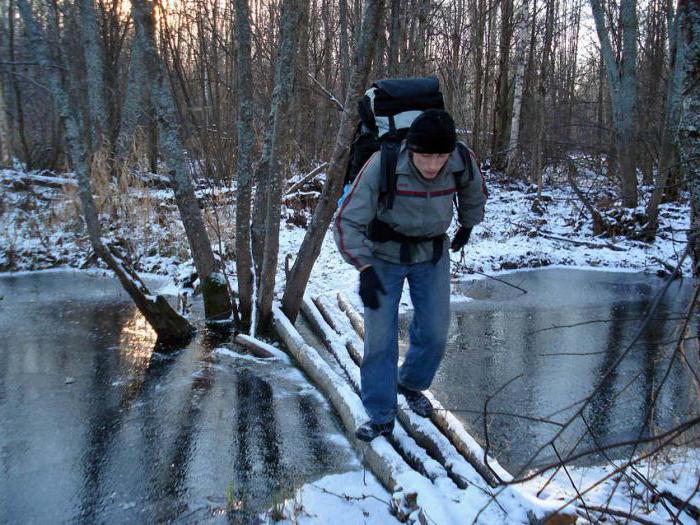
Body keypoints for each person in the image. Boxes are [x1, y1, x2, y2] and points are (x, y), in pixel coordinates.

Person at [333, 109, 487, 441]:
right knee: (380, 338)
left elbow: (474, 192)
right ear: (411, 149)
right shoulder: (383, 163)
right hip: (383, 257)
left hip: (431, 254)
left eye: (441, 156)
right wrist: (364, 267)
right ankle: (380, 413)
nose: (434, 165)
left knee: (434, 330)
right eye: (426, 156)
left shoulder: (461, 159)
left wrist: (468, 225)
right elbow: (347, 220)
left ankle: (411, 383)